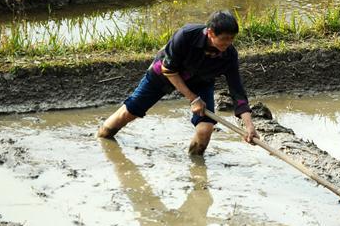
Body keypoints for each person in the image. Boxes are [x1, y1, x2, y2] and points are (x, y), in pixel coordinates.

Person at [96, 10, 258, 155]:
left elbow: (237, 91)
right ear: (210, 33)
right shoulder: (186, 35)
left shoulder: (229, 55)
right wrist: (193, 99)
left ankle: (196, 170)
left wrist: (249, 126)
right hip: (163, 75)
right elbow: (169, 69)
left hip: (201, 82)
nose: (228, 43)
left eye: (232, 39)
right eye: (224, 39)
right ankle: (102, 139)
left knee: (205, 129)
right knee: (128, 113)